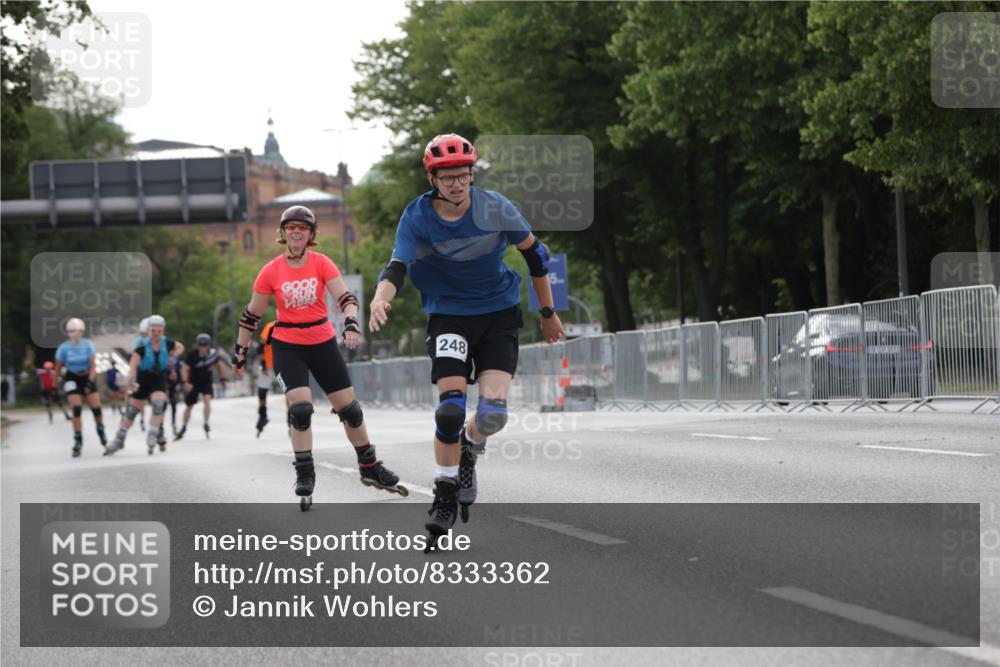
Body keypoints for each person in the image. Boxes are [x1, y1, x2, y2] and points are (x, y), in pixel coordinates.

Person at [369, 133, 565, 545]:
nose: (456, 184)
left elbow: (536, 256)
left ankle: (469, 452)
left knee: (493, 414)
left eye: (463, 175)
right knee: (450, 411)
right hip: (448, 317)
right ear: (433, 179)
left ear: (472, 174)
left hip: (497, 316)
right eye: (447, 177)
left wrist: (547, 313)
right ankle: (444, 493)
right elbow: (397, 267)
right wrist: (379, 299)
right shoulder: (417, 216)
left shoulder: (496, 207)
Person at [231, 205, 407, 511]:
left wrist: (351, 322)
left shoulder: (322, 263)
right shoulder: (271, 270)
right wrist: (240, 350)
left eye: (303, 228)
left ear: (311, 235)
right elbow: (251, 315)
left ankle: (368, 464)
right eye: (291, 227)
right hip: (288, 345)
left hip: (322, 342)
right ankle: (305, 471)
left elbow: (346, 299)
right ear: (283, 234)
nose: (296, 232)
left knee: (350, 411)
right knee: (300, 410)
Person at [104, 314, 185, 456]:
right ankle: (119, 439)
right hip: (142, 379)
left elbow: (180, 347)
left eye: (159, 331)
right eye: (153, 331)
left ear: (163, 330)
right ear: (148, 331)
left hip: (158, 379)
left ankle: (153, 433)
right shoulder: (141, 345)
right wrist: (132, 379)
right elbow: (133, 365)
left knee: (158, 405)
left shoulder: (166, 343)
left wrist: (172, 358)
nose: (156, 334)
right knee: (131, 411)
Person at [54, 318, 109, 456]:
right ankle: (78, 439)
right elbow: (58, 367)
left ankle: (100, 430)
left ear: (82, 331)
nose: (74, 334)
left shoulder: (87, 345)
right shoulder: (64, 347)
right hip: (72, 377)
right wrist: (56, 383)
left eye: (77, 331)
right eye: (71, 331)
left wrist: (91, 380)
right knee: (76, 409)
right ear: (68, 332)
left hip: (86, 377)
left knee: (96, 408)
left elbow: (93, 365)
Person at [175, 333, 228, 440]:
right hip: (193, 382)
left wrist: (223, 380)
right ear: (197, 345)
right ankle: (184, 426)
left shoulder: (212, 354)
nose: (203, 347)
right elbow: (184, 369)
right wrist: (185, 382)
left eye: (205, 345)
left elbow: (220, 366)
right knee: (189, 406)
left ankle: (206, 423)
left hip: (206, 382)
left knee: (207, 399)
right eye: (201, 345)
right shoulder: (192, 355)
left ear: (209, 345)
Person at [255, 320, 278, 437]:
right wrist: (263, 363)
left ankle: (291, 417)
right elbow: (260, 347)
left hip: (284, 362)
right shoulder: (271, 326)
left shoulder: (293, 325)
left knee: (290, 392)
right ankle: (263, 415)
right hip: (269, 363)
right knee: (262, 391)